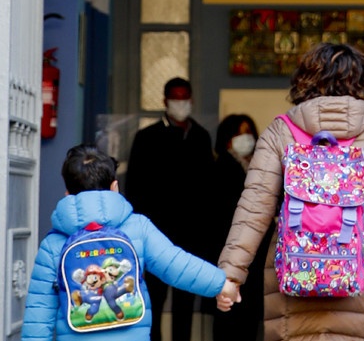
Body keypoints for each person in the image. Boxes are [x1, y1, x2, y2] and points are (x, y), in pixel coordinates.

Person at [215, 42, 364, 341]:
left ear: (305, 80)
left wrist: (231, 275)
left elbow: (253, 210)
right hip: (355, 275)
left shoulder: (280, 132)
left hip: (291, 275)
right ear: (362, 82)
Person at [21, 143, 239, 341]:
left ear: (67, 193)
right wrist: (221, 284)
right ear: (115, 186)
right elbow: (175, 264)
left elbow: (39, 313)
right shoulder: (137, 226)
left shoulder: (54, 243)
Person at [124, 77, 216, 341]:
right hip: (155, 235)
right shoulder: (147, 138)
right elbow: (135, 190)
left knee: (185, 303)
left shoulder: (200, 137)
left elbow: (207, 189)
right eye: (176, 98)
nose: (181, 104)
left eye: (185, 98)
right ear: (165, 102)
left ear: (192, 100)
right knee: (153, 301)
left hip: (190, 238)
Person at [202, 114, 272, 341]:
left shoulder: (257, 170)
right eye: (239, 133)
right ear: (227, 139)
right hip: (227, 256)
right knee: (228, 319)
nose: (246, 138)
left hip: (252, 260)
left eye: (249, 132)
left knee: (248, 319)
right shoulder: (220, 168)